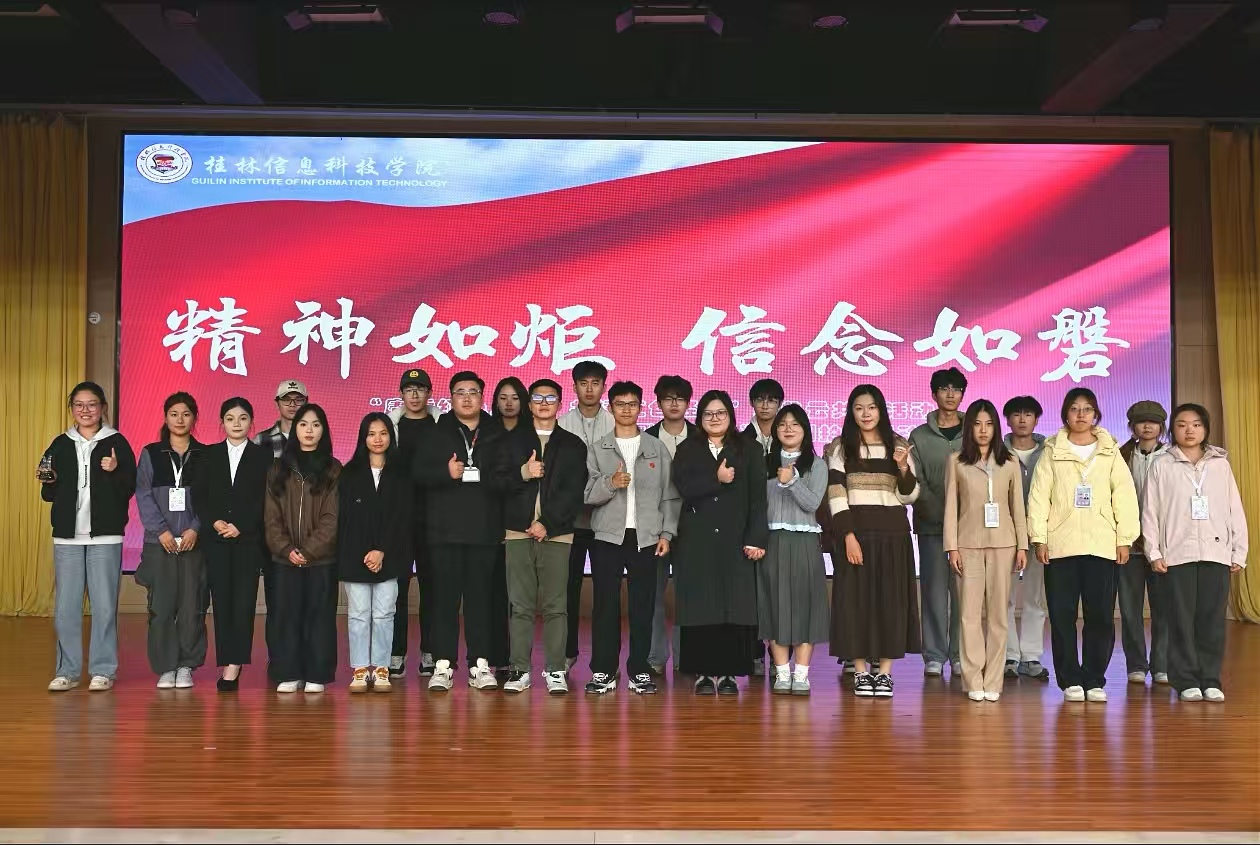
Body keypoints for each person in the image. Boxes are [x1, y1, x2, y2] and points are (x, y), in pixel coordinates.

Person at [1027, 388, 1139, 703]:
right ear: (1065, 413)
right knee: (1062, 617)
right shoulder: (1052, 451)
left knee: (1100, 617)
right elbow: (1038, 496)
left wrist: (1124, 539)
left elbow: (1125, 496)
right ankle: (1070, 680)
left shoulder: (1110, 451)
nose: (1080, 414)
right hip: (1060, 547)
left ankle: (1094, 679)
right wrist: (1039, 537)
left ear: (1096, 414)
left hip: (1102, 546)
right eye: (1074, 408)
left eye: (1087, 409)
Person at [1142, 405, 1248, 702]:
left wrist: (1239, 550)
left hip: (1216, 552)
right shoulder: (1162, 465)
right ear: (1172, 429)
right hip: (1177, 554)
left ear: (1205, 429)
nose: (1189, 430)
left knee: (1211, 621)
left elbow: (1234, 508)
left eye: (1196, 424)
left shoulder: (1220, 465)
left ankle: (1210, 679)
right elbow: (1150, 511)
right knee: (1180, 620)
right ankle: (1186, 679)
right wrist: (1153, 551)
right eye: (1182, 424)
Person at [491, 379, 587, 695]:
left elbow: (574, 493)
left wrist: (547, 522)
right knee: (520, 605)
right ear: (529, 404)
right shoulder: (510, 441)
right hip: (517, 532)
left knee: (556, 605)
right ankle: (519, 669)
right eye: (538, 397)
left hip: (557, 534)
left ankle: (556, 670)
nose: (544, 403)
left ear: (560, 403)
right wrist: (523, 473)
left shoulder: (573, 444)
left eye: (551, 398)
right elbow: (495, 484)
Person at [584, 381, 680, 695]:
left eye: (632, 404)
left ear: (641, 407)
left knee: (643, 607)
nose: (626, 409)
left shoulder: (656, 448)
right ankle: (603, 670)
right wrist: (610, 483)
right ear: (610, 407)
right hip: (607, 537)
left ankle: (639, 669)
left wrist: (666, 533)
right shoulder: (599, 448)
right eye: (620, 404)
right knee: (605, 606)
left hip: (646, 537)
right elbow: (587, 495)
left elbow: (670, 496)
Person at [41, 382, 136, 692]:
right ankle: (67, 671)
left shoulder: (117, 442)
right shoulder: (60, 444)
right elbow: (48, 493)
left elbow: (130, 486)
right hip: (67, 537)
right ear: (71, 409)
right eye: (79, 404)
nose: (85, 410)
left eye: (92, 404)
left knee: (104, 607)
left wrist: (115, 469)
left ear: (103, 408)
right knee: (65, 609)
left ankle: (103, 670)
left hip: (105, 537)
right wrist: (49, 480)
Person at [826, 385, 920, 698]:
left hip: (893, 535)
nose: (866, 414)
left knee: (890, 602)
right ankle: (860, 671)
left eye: (871, 407)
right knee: (855, 603)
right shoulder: (842, 448)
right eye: (859, 408)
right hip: (856, 533)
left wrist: (903, 466)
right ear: (851, 412)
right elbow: (836, 494)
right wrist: (848, 536)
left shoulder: (898, 445)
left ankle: (885, 673)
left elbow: (909, 495)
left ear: (881, 410)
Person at [672, 390, 767, 696]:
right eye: (708, 414)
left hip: (735, 538)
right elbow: (683, 487)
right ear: (700, 418)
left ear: (731, 416)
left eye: (721, 413)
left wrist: (756, 538)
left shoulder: (749, 448)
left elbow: (758, 498)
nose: (714, 419)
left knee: (733, 607)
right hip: (696, 539)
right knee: (701, 606)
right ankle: (702, 673)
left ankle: (729, 674)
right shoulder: (688, 448)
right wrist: (717, 479)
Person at [415, 371, 506, 692]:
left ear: (482, 396)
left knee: (480, 600)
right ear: (450, 398)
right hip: (444, 532)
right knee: (444, 600)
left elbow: (507, 477)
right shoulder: (435, 432)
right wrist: (446, 471)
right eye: (460, 393)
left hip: (484, 531)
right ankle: (442, 664)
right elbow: (417, 473)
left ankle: (480, 664)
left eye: (473, 392)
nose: (467, 398)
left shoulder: (496, 433)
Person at [943, 399, 1028, 702]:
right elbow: (951, 507)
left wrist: (1023, 545)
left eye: (989, 424)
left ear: (996, 427)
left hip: (1004, 543)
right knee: (968, 615)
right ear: (969, 428)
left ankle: (993, 680)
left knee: (998, 616)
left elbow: (1018, 506)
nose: (983, 430)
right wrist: (951, 547)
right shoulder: (956, 461)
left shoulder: (1010, 462)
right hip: (967, 544)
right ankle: (973, 679)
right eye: (977, 424)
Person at [264, 404, 341, 694]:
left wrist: (308, 550)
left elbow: (332, 517)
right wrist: (286, 549)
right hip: (284, 559)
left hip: (321, 560)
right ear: (294, 429)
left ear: (324, 430)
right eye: (303, 424)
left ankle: (317, 673)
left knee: (319, 617)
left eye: (316, 425)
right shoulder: (277, 468)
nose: (309, 430)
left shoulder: (334, 468)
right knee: (286, 616)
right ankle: (288, 671)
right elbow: (271, 517)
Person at [134, 392, 209, 689]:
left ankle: (187, 665)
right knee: (161, 608)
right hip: (160, 544)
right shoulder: (151, 453)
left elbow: (211, 498)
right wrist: (161, 531)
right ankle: (166, 667)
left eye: (186, 414)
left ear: (194, 418)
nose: (180, 419)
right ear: (166, 418)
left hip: (194, 544)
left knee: (192, 607)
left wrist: (195, 529)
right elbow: (143, 494)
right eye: (174, 414)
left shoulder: (205, 455)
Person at [195, 397, 270, 692]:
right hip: (216, 540)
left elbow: (266, 498)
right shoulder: (209, 455)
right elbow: (200, 496)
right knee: (222, 602)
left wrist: (243, 525)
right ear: (222, 423)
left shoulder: (263, 456)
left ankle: (234, 666)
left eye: (242, 418)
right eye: (230, 418)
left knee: (243, 603)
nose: (236, 424)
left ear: (251, 422)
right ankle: (227, 659)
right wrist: (214, 521)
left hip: (248, 541)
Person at [339, 413, 413, 693]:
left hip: (390, 556)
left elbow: (402, 518)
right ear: (363, 438)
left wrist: (381, 550)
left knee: (384, 614)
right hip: (355, 555)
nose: (378, 439)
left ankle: (381, 667)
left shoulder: (401, 473)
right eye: (371, 434)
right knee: (359, 614)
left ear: (391, 437)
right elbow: (346, 519)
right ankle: (360, 669)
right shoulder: (349, 473)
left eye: (383, 433)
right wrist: (366, 552)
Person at [760, 404, 829, 696]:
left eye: (795, 424)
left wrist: (792, 482)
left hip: (805, 541)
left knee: (805, 606)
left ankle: (801, 674)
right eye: (782, 424)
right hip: (772, 541)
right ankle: (781, 672)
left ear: (805, 430)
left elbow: (812, 504)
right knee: (774, 605)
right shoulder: (764, 462)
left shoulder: (817, 464)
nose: (788, 429)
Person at [909, 367, 967, 678]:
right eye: (944, 389)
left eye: (956, 389)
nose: (950, 394)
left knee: (963, 593)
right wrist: (938, 512)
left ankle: (959, 654)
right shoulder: (919, 435)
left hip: (969, 528)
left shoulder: (974, 430)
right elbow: (914, 479)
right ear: (934, 394)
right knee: (932, 592)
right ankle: (933, 654)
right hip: (931, 525)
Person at [557, 361, 615, 670]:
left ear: (604, 387)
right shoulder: (562, 423)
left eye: (595, 383)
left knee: (606, 592)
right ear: (574, 386)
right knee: (568, 590)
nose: (589, 389)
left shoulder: (616, 423)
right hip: (571, 521)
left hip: (607, 519)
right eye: (583, 383)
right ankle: (567, 654)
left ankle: (603, 661)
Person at [254, 378, 309, 680]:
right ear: (277, 403)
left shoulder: (313, 437)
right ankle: (279, 660)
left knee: (305, 601)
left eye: (298, 399)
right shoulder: (262, 440)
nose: (292, 404)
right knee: (277, 602)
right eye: (286, 399)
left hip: (309, 535)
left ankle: (302, 659)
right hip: (274, 535)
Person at [644, 375, 697, 675]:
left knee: (688, 595)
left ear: (688, 403)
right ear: (658, 402)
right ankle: (655, 656)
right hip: (654, 527)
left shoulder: (702, 437)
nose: (674, 404)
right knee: (653, 595)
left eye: (679, 398)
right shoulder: (646, 438)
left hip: (692, 527)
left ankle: (684, 656)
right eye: (668, 398)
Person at [387, 368, 438, 679]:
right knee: (397, 589)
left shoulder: (441, 425)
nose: (415, 395)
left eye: (420, 389)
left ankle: (429, 651)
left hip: (433, 520)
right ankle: (396, 652)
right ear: (401, 394)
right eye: (409, 389)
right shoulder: (389, 426)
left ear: (429, 393)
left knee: (432, 589)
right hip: (399, 520)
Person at [1119, 400, 1171, 686]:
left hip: (1162, 546)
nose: (1147, 426)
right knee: (1129, 610)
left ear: (1161, 426)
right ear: (1132, 426)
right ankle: (1136, 664)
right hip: (1129, 545)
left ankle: (1161, 664)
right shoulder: (1121, 456)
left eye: (1153, 421)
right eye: (1141, 421)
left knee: (1163, 609)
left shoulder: (1172, 457)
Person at [1001, 396, 1050, 681]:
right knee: (1003, 597)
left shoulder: (1050, 452)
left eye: (1028, 414)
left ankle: (1031, 656)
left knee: (1034, 597)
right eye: (1016, 414)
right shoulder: (997, 452)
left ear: (1036, 419)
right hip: (1005, 535)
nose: (1022, 419)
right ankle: (1009, 654)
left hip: (1039, 535)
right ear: (1007, 419)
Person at [487, 376, 530, 681]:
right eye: (503, 397)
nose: (509, 403)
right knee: (495, 595)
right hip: (491, 525)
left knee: (522, 598)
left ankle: (520, 659)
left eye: (515, 397)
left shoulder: (532, 434)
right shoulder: (487, 434)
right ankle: (499, 658)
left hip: (526, 525)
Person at [742, 377, 783, 674]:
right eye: (760, 399)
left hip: (783, 521)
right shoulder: (741, 439)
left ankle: (781, 655)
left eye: (771, 400)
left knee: (780, 590)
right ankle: (755, 653)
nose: (765, 405)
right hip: (750, 523)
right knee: (752, 592)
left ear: (780, 404)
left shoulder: (790, 435)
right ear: (752, 403)